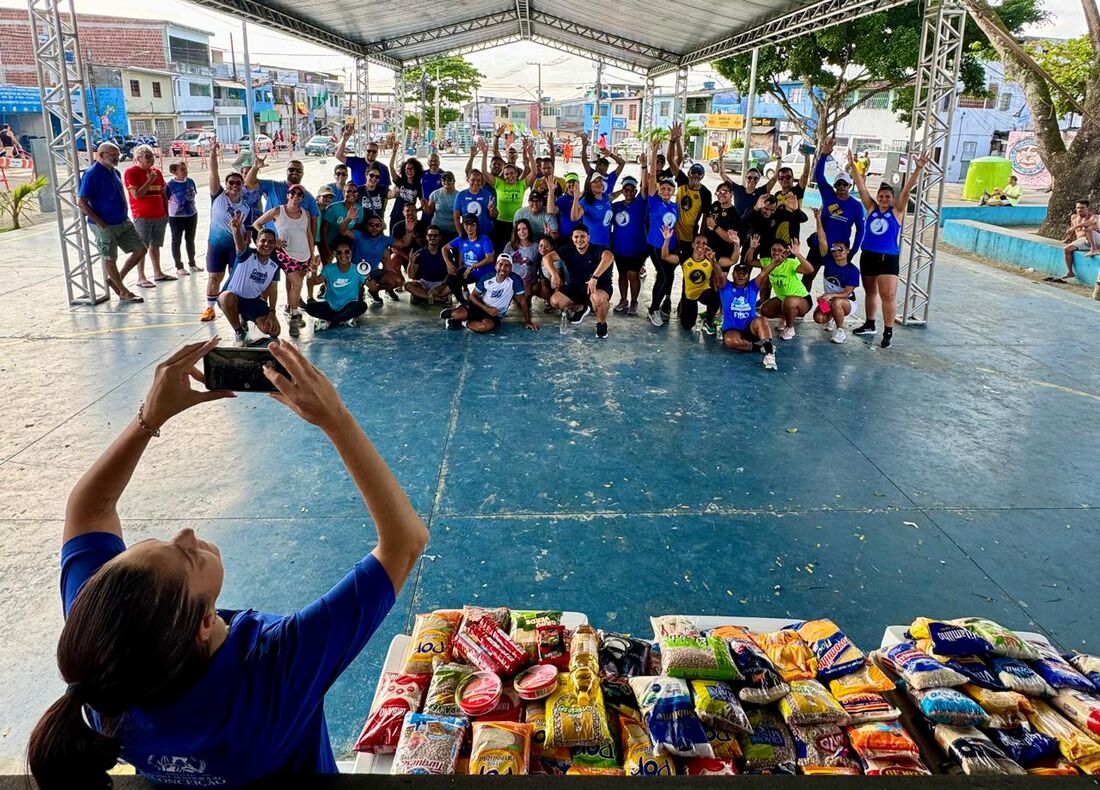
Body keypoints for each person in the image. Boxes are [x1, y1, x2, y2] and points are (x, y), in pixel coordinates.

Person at [26, 336, 428, 789]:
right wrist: (335, 419)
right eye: (184, 555)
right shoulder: (274, 669)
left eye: (159, 539)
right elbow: (405, 541)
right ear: (203, 622)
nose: (187, 534)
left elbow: (90, 511)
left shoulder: (108, 664)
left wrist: (149, 420)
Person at [847, 149, 928, 346]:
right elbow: (861, 187)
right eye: (881, 196)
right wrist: (852, 165)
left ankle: (888, 332)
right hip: (868, 256)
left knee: (888, 295)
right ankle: (869, 323)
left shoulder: (897, 211)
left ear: (892, 198)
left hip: (888, 258)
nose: (883, 199)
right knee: (870, 292)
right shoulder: (872, 208)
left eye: (887, 197)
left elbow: (907, 191)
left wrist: (918, 169)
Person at [77, 142, 147, 303]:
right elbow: (82, 202)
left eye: (117, 155)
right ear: (101, 155)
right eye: (113, 155)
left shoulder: (114, 171)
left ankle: (116, 280)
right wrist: (99, 221)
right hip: (105, 224)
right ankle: (123, 291)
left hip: (122, 220)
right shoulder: (92, 174)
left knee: (140, 249)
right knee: (110, 258)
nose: (117, 158)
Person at [252, 184, 316, 338]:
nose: (296, 196)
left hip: (303, 255)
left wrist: (312, 254)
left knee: (293, 285)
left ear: (302, 197)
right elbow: (257, 224)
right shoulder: (278, 211)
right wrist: (274, 240)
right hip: (286, 254)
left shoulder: (305, 213)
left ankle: (290, 309)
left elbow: (309, 234)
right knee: (297, 284)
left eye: (300, 194)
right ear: (288, 195)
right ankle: (294, 317)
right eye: (293, 193)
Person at [803, 137, 865, 290]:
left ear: (850, 185)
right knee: (807, 277)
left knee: (835, 284)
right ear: (835, 185)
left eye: (845, 184)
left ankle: (830, 311)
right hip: (819, 245)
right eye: (839, 184)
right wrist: (824, 154)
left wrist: (853, 251)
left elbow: (861, 229)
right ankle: (800, 310)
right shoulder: (829, 195)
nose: (842, 187)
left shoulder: (855, 206)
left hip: (839, 250)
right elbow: (819, 175)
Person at [198, 144, 251, 321]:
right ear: (226, 185)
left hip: (235, 248)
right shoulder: (218, 196)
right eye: (231, 183)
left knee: (235, 280)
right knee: (214, 277)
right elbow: (214, 172)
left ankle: (238, 310)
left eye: (238, 183)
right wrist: (212, 152)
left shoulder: (246, 206)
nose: (235, 185)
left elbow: (248, 231)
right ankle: (210, 308)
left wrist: (244, 250)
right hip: (216, 245)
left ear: (243, 185)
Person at [219, 212, 282, 344]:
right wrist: (236, 230)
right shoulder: (246, 255)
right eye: (263, 240)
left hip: (252, 301)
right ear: (257, 241)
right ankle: (239, 331)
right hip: (233, 299)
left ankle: (247, 317)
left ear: (275, 244)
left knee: (274, 330)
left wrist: (272, 312)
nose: (266, 244)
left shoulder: (274, 265)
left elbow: (273, 290)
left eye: (271, 242)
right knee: (226, 297)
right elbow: (239, 245)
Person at [543, 224, 615, 339]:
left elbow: (609, 256)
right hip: (577, 286)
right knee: (555, 301)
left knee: (598, 299)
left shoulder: (596, 249)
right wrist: (554, 274)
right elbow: (547, 258)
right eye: (576, 237)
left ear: (588, 238)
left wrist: (595, 278)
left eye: (583, 236)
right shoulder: (568, 250)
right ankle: (581, 307)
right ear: (572, 238)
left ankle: (601, 324)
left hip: (598, 287)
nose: (579, 240)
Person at [440, 253, 538, 333]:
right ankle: (455, 312)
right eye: (500, 264)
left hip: (494, 314)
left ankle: (463, 323)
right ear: (496, 266)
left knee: (485, 327)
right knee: (455, 314)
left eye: (507, 265)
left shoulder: (515, 280)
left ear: (511, 268)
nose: (503, 268)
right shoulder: (487, 278)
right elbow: (472, 296)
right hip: (479, 307)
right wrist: (486, 308)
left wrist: (528, 321)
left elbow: (522, 301)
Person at [122, 144, 174, 288]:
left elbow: (163, 193)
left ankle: (158, 272)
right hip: (142, 215)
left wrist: (166, 212)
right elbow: (137, 195)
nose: (151, 159)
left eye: (152, 156)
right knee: (141, 247)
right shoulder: (131, 172)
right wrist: (149, 181)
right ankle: (141, 276)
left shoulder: (156, 172)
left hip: (159, 214)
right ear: (138, 158)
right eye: (147, 156)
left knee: (155, 245)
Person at [642, 138, 680, 326]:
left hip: (671, 247)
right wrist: (654, 153)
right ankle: (653, 309)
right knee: (663, 276)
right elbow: (650, 179)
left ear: (673, 190)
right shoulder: (654, 201)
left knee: (669, 276)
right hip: (656, 245)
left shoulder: (675, 206)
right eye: (663, 188)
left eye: (669, 188)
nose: (665, 191)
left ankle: (662, 305)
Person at [808, 210, 860, 344]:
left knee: (837, 302)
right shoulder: (828, 261)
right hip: (830, 300)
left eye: (840, 249)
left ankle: (840, 331)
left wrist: (830, 296)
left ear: (847, 251)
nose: (837, 252)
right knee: (819, 317)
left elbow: (848, 292)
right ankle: (830, 317)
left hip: (847, 302)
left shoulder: (853, 270)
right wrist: (818, 219)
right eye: (834, 250)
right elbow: (822, 239)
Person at [719, 256, 781, 370]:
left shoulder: (753, 286)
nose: (741, 276)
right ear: (733, 275)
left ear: (748, 276)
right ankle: (759, 348)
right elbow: (718, 274)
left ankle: (769, 354)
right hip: (732, 329)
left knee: (762, 320)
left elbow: (764, 273)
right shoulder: (725, 286)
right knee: (729, 341)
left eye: (744, 273)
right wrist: (712, 261)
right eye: (738, 273)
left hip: (750, 328)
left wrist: (775, 263)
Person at [658, 226, 722, 334]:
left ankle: (708, 321)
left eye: (704, 243)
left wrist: (713, 261)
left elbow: (720, 273)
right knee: (687, 326)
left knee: (714, 298)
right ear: (693, 245)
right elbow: (665, 256)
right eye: (698, 242)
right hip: (689, 295)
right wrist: (667, 240)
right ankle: (688, 311)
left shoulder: (710, 257)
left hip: (704, 291)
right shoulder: (685, 256)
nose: (701, 245)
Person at [755, 237, 814, 340]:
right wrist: (751, 248)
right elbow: (749, 262)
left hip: (802, 300)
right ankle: (786, 318)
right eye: (774, 250)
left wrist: (797, 254)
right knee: (764, 310)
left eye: (780, 250)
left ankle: (790, 328)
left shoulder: (790, 262)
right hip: (782, 299)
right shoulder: (767, 262)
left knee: (789, 301)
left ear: (786, 251)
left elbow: (809, 270)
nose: (776, 252)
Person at [303, 236, 369, 330]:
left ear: (351, 252)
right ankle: (344, 318)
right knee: (309, 307)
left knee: (361, 306)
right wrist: (314, 270)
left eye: (347, 252)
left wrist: (368, 276)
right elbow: (314, 282)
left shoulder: (358, 269)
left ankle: (330, 322)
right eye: (339, 252)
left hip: (349, 305)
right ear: (335, 253)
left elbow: (373, 287)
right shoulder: (329, 269)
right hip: (331, 307)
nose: (343, 255)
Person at [484, 137, 536, 250]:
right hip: (499, 223)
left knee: (513, 250)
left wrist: (530, 155)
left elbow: (534, 172)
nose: (509, 176)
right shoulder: (499, 184)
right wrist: (484, 154)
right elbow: (484, 172)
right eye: (506, 174)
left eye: (512, 173)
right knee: (498, 250)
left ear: (517, 174)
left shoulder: (521, 185)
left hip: (515, 224)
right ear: (504, 175)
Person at [610, 174, 648, 315]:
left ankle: (634, 301)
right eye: (626, 189)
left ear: (636, 191)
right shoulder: (616, 206)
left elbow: (645, 187)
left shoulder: (640, 203)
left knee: (633, 275)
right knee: (622, 275)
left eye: (632, 189)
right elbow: (605, 199)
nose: (629, 192)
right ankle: (623, 299)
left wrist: (644, 167)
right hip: (619, 248)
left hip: (637, 248)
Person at [444, 213, 496, 302]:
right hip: (469, 273)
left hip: (484, 274)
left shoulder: (484, 239)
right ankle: (463, 302)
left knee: (481, 300)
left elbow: (490, 258)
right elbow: (444, 248)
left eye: (472, 224)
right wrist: (449, 264)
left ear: (476, 225)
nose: (469, 227)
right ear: (463, 226)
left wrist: (472, 266)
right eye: (466, 225)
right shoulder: (461, 239)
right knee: (451, 280)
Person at [716, 142, 776, 217]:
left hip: (752, 226)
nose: (752, 180)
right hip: (737, 225)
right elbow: (722, 174)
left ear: (758, 179)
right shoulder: (738, 190)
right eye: (749, 177)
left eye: (755, 178)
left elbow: (774, 179)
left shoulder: (761, 191)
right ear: (746, 178)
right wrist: (720, 156)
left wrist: (779, 159)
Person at [354, 215, 403, 304]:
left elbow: (404, 243)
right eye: (371, 225)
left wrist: (409, 231)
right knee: (356, 300)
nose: (374, 228)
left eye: (377, 225)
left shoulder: (384, 240)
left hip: (374, 271)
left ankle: (374, 291)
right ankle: (360, 290)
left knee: (398, 281)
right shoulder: (359, 235)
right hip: (357, 271)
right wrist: (348, 219)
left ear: (381, 227)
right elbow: (344, 231)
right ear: (366, 226)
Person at [165, 160, 199, 276]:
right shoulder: (170, 185)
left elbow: (194, 195)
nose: (185, 171)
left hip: (191, 214)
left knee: (190, 239)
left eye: (186, 169)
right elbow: (166, 199)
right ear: (174, 172)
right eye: (182, 169)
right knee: (176, 240)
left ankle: (192, 263)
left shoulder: (190, 182)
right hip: (176, 217)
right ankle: (179, 266)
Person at [404, 225, 452, 305]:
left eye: (435, 235)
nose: (432, 238)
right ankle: (438, 299)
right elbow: (411, 276)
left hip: (440, 283)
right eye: (430, 235)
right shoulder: (420, 253)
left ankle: (422, 296)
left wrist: (439, 288)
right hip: (424, 284)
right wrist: (411, 262)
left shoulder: (446, 253)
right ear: (426, 237)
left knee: (453, 286)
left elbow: (450, 275)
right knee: (407, 285)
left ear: (439, 238)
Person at [673, 162, 713, 259]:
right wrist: (675, 145)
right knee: (669, 264)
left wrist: (701, 235)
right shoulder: (682, 181)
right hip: (673, 232)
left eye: (699, 173)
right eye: (694, 172)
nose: (696, 175)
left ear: (702, 176)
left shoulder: (705, 193)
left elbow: (705, 216)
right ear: (688, 173)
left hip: (690, 235)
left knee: (687, 263)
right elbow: (670, 160)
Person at [702, 180, 741, 273]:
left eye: (724, 192)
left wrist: (715, 226)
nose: (721, 194)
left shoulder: (734, 215)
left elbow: (730, 239)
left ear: (731, 194)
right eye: (718, 192)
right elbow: (705, 222)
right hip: (707, 251)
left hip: (722, 255)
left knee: (718, 283)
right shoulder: (715, 205)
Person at [336, 125, 390, 189]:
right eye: (369, 151)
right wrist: (344, 139)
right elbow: (339, 156)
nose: (371, 153)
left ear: (377, 153)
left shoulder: (383, 168)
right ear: (365, 151)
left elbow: (386, 190)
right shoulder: (356, 162)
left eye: (374, 151)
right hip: (357, 196)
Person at [773, 155, 812, 243]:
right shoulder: (777, 195)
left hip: (790, 242)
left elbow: (805, 175)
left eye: (788, 177)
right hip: (775, 240)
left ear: (793, 178)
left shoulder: (797, 191)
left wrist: (807, 156)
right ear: (778, 180)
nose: (784, 180)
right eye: (781, 178)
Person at [454, 162, 495, 242]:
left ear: (482, 181)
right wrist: (460, 233)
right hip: (468, 234)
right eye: (473, 180)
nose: (476, 183)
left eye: (478, 180)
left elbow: (494, 216)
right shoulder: (461, 195)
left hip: (485, 234)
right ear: (468, 180)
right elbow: (456, 217)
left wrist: (492, 210)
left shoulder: (488, 195)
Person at [570, 171, 614, 248]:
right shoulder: (586, 201)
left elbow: (613, 196)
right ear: (589, 185)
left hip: (607, 243)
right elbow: (574, 218)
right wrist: (576, 198)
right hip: (592, 245)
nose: (599, 183)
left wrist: (623, 190)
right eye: (595, 181)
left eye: (600, 180)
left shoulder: (606, 197)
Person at [1060, 199, 1100, 281]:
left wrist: (1074, 227)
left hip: (1096, 240)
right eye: (1078, 208)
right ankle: (1070, 272)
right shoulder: (1074, 217)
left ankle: (1094, 249)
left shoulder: (1093, 216)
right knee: (1067, 249)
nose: (1079, 210)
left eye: (1082, 208)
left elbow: (1088, 223)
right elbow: (1073, 231)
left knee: (1088, 229)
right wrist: (1068, 239)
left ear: (1087, 208)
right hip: (1083, 241)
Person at [387, 148, 423, 232]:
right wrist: (394, 152)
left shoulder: (418, 186)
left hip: (409, 218)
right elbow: (391, 167)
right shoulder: (400, 182)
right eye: (407, 169)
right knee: (393, 240)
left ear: (416, 170)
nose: (409, 171)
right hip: (396, 216)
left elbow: (423, 203)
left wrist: (417, 210)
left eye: (411, 168)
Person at [503, 218, 540, 295]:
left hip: (527, 282)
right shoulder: (510, 245)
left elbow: (538, 266)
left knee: (523, 301)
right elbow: (502, 264)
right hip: (510, 280)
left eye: (524, 229)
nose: (522, 232)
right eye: (518, 230)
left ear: (529, 230)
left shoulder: (536, 246)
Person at [425, 171, 459, 238]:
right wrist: (425, 206)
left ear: (454, 181)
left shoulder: (459, 196)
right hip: (437, 230)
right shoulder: (435, 194)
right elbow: (429, 211)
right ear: (441, 181)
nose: (446, 182)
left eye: (449, 179)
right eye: (444, 180)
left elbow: (462, 214)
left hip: (453, 230)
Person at [420, 153, 445, 226]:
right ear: (428, 162)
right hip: (426, 210)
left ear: (439, 162)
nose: (433, 163)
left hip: (439, 212)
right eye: (431, 161)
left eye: (435, 161)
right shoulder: (422, 174)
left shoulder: (444, 175)